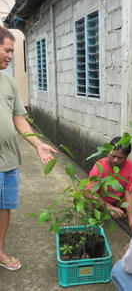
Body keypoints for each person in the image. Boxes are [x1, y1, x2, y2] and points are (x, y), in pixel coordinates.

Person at [0, 26, 57, 271]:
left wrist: (37, 143)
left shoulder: (9, 82)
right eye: (7, 50)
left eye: (12, 52)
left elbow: (19, 118)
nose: (11, 56)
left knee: (4, 208)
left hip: (9, 159)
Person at [86, 136, 132, 232]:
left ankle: (119, 213)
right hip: (101, 202)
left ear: (126, 157)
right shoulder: (99, 165)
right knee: (90, 202)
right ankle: (108, 212)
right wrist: (109, 207)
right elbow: (88, 192)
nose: (116, 160)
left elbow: (129, 193)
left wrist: (131, 220)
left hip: (118, 202)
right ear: (108, 151)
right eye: (113, 156)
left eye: (120, 158)